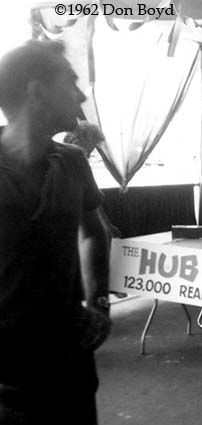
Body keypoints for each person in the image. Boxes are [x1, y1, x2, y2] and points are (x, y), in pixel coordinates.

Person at [0, 40, 111, 424]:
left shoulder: (73, 161)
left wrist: (98, 303)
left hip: (69, 362)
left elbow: (95, 232)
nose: (80, 95)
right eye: (70, 82)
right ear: (37, 90)